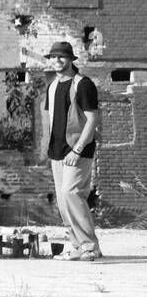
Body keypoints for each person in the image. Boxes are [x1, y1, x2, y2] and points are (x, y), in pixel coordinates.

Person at [44, 40, 102, 261]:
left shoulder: (83, 84)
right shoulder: (52, 85)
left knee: (72, 193)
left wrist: (77, 150)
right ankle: (77, 246)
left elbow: (92, 119)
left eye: (62, 57)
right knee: (62, 200)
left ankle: (89, 246)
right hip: (57, 152)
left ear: (70, 60)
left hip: (78, 150)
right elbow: (53, 120)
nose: (57, 60)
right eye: (53, 57)